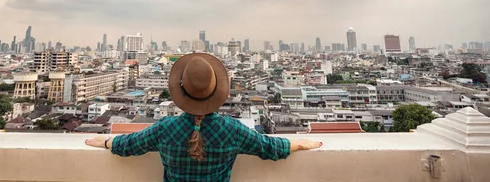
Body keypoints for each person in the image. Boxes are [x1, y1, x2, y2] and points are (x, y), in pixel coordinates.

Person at [85, 53, 322, 181]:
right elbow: (269, 147)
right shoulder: (232, 130)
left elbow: (130, 145)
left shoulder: (166, 128)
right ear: (216, 91)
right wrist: (301, 142)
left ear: (181, 91)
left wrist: (105, 141)